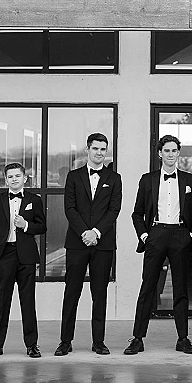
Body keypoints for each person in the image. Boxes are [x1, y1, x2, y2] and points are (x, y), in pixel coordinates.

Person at [124, 134, 192, 355]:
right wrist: (145, 235)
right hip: (156, 233)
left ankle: (183, 339)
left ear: (179, 153)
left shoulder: (190, 180)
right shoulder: (147, 179)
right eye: (166, 151)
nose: (170, 154)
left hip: (180, 234)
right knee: (147, 287)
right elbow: (137, 213)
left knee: (181, 289)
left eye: (174, 151)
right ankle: (137, 338)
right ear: (160, 153)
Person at [54, 133, 122, 356]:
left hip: (103, 244)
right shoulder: (73, 177)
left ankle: (98, 341)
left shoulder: (115, 179)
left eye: (103, 149)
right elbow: (69, 209)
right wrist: (85, 232)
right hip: (77, 242)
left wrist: (96, 232)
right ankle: (65, 341)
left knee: (99, 293)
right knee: (71, 292)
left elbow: (114, 210)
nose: (100, 153)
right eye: (96, 149)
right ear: (87, 150)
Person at [0, 162, 46, 359]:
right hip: (5, 255)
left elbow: (42, 227)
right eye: (10, 176)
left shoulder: (34, 200)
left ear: (25, 178)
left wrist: (26, 224)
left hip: (26, 255)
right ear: (6, 179)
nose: (14, 179)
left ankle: (32, 345)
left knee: (28, 301)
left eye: (18, 176)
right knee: (2, 301)